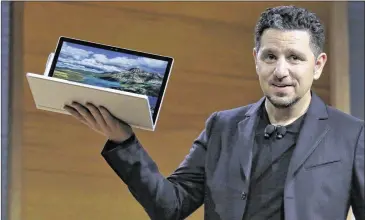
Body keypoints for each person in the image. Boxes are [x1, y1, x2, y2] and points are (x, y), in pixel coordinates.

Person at [64, 5, 364, 220]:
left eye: (295, 58)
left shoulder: (351, 135)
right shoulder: (223, 126)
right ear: (256, 60)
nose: (280, 71)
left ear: (319, 65)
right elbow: (170, 207)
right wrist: (124, 140)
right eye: (270, 56)